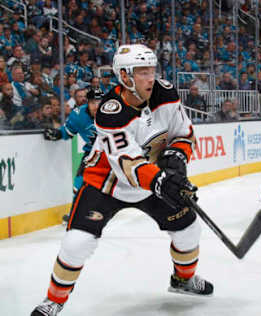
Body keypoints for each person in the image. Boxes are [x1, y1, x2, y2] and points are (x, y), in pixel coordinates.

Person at [31, 44, 212, 316]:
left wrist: (176, 157)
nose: (150, 77)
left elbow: (183, 134)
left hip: (150, 179)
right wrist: (163, 181)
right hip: (106, 182)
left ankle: (182, 280)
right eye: (142, 72)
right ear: (125, 77)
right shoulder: (111, 111)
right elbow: (128, 165)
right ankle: (54, 300)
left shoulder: (167, 94)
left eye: (151, 70)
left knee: (189, 230)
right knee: (77, 242)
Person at [43, 87, 104, 194]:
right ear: (87, 103)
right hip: (91, 153)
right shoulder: (78, 114)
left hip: (113, 152)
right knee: (78, 186)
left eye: (99, 102)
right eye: (93, 103)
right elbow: (68, 131)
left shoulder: (114, 112)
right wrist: (57, 134)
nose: (96, 106)